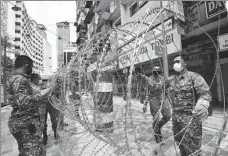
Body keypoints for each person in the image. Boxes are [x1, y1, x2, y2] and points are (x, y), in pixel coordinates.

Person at [143, 54, 212, 155]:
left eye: (178, 62)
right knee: (180, 143)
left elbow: (205, 93)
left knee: (193, 148)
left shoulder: (194, 77)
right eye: (174, 62)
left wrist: (202, 104)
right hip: (176, 119)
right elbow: (157, 87)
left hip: (190, 120)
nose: (175, 64)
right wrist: (146, 80)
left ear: (185, 63)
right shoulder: (171, 80)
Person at [7, 55, 52, 156]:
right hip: (26, 123)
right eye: (31, 67)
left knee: (25, 152)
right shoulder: (20, 80)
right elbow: (22, 101)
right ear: (26, 66)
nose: (31, 69)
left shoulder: (15, 78)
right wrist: (42, 94)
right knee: (35, 152)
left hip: (22, 122)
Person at [139, 66, 171, 143]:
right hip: (153, 100)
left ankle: (157, 127)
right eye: (155, 72)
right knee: (155, 118)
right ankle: (157, 135)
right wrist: (145, 104)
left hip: (163, 99)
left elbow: (166, 90)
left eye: (159, 72)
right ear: (153, 72)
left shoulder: (163, 78)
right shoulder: (149, 80)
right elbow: (147, 92)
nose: (157, 74)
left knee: (168, 116)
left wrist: (171, 101)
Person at [30, 73, 48, 145]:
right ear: (35, 79)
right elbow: (41, 95)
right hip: (38, 111)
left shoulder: (37, 86)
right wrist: (50, 88)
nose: (40, 80)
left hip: (42, 109)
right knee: (39, 126)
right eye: (39, 78)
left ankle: (44, 138)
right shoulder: (33, 87)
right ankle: (39, 142)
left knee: (43, 124)